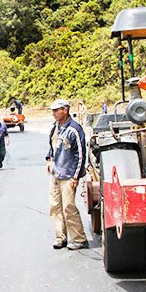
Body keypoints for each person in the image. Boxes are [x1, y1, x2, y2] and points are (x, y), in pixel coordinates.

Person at [45, 99, 89, 250]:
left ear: (65, 110)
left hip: (68, 175)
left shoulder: (75, 129)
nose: (54, 113)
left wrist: (75, 176)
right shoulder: (55, 127)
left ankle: (79, 239)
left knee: (68, 207)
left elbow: (81, 155)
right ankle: (60, 237)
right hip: (55, 174)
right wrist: (49, 160)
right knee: (54, 207)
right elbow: (52, 145)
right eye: (53, 111)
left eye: (57, 110)